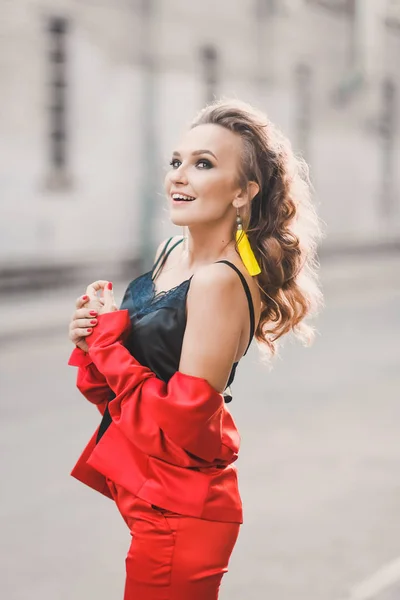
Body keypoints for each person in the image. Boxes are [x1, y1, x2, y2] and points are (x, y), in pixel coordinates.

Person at [67, 99, 322, 599]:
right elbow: (127, 398)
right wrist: (95, 334)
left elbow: (183, 423)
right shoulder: (172, 253)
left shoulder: (218, 282)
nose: (180, 176)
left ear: (244, 193)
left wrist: (106, 345)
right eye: (177, 161)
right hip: (153, 496)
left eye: (204, 164)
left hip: (181, 514)